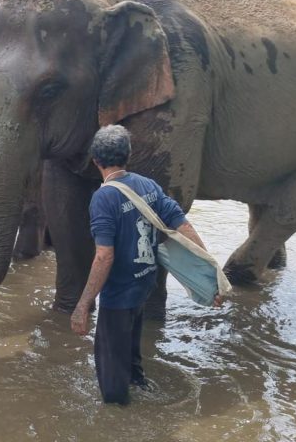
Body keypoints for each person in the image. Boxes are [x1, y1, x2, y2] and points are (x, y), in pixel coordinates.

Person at [71, 125, 214, 405]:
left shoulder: (104, 198)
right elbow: (182, 224)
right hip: (145, 282)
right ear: (129, 155)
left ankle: (118, 416)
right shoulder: (147, 185)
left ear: (95, 160)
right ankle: (138, 381)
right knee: (131, 347)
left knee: (111, 383)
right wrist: (210, 272)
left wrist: (83, 304)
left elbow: (104, 256)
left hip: (119, 294)